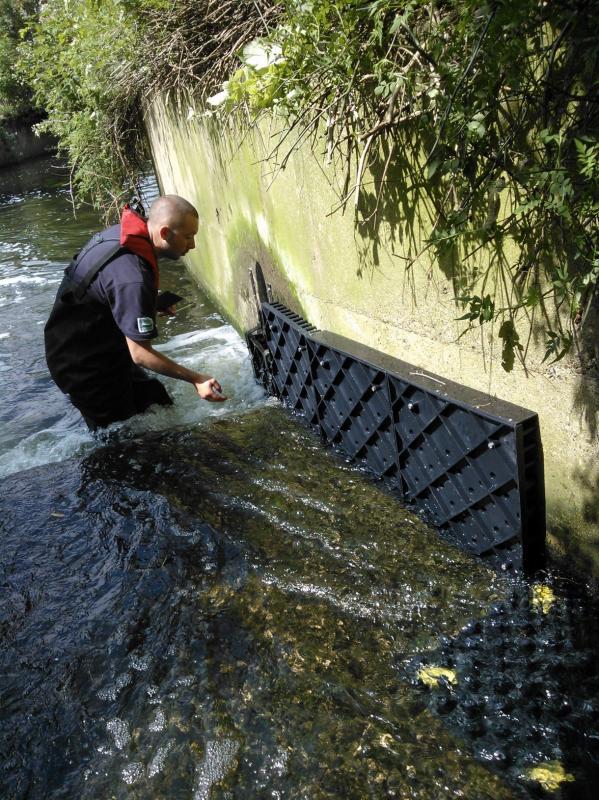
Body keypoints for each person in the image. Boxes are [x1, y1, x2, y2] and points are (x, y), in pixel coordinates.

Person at [44, 194, 226, 430]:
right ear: (164, 233)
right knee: (123, 437)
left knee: (156, 401)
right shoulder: (134, 279)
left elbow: (105, 288)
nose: (192, 245)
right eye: (189, 237)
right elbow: (140, 354)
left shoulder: (121, 237)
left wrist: (147, 304)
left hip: (98, 343)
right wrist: (197, 378)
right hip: (82, 366)